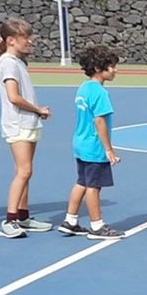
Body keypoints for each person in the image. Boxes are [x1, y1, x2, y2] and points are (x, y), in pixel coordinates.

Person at [0, 19, 53, 239]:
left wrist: (36, 113)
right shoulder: (8, 63)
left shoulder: (17, 62)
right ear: (10, 40)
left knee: (27, 171)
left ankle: (23, 216)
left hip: (27, 122)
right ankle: (9, 221)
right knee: (24, 171)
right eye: (25, 38)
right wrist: (38, 108)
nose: (30, 41)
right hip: (18, 123)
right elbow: (13, 97)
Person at [57, 45, 124, 240]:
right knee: (94, 187)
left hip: (80, 143)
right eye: (111, 66)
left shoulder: (84, 87)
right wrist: (108, 149)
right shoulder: (101, 93)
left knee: (82, 182)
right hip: (94, 147)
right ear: (98, 68)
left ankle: (70, 221)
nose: (115, 70)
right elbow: (99, 121)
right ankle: (97, 226)